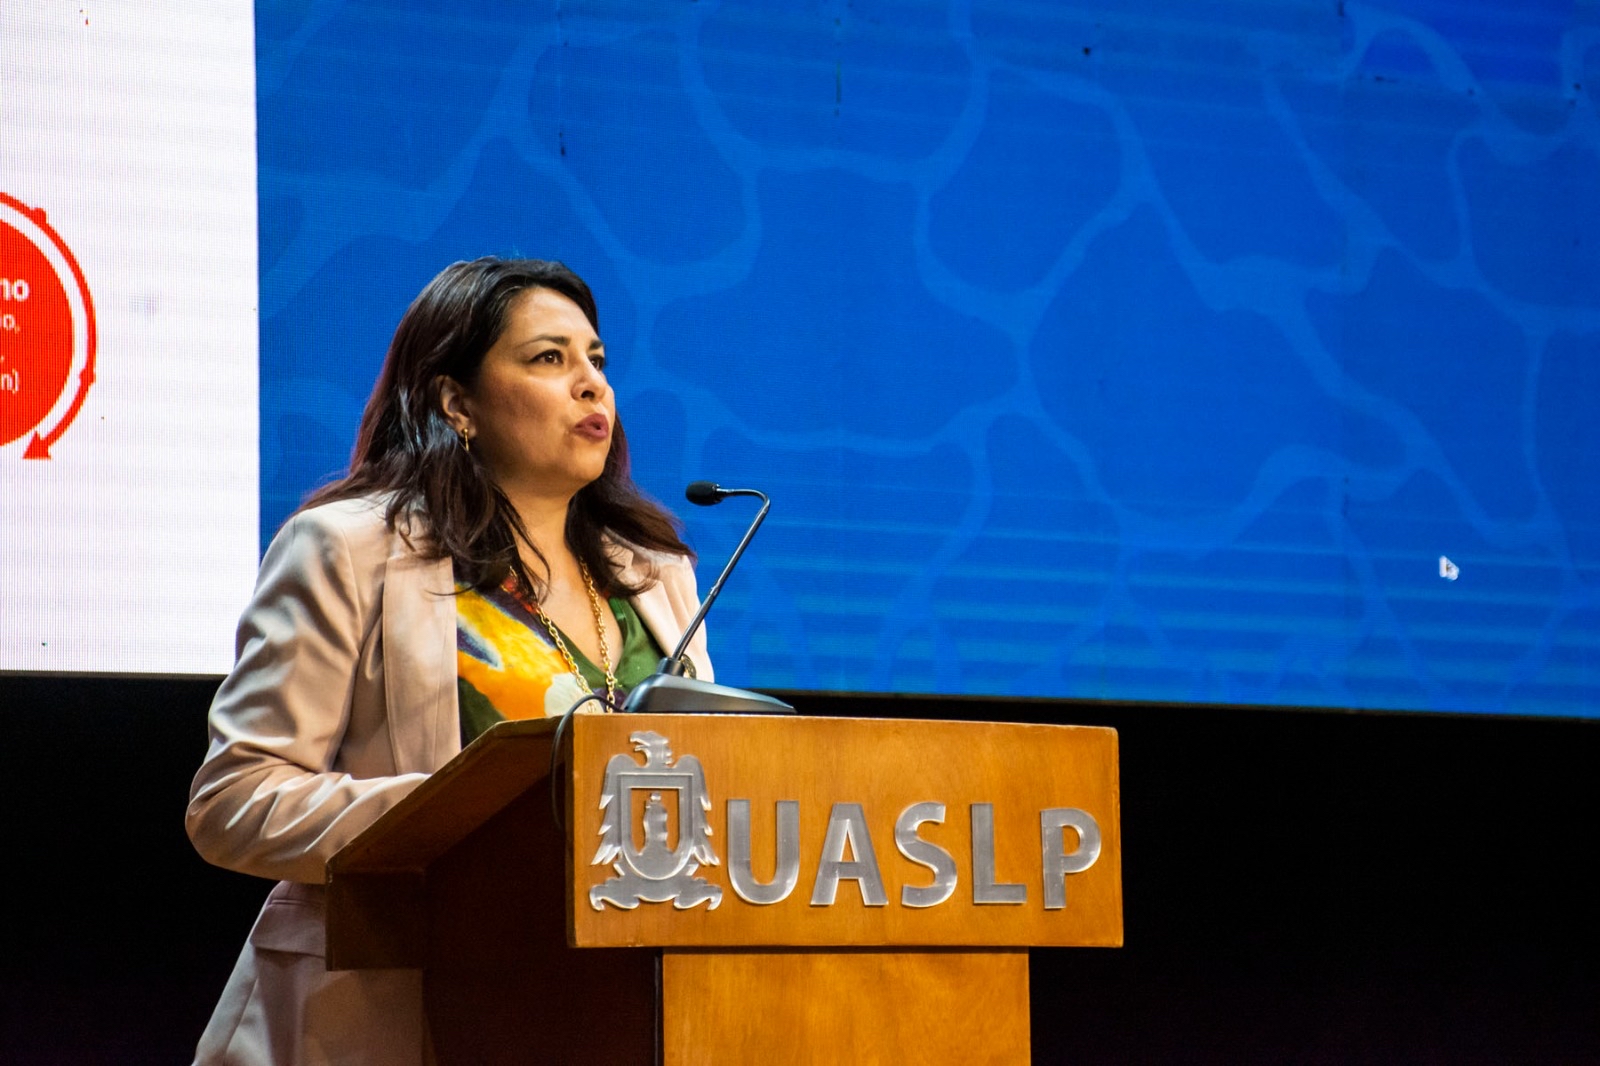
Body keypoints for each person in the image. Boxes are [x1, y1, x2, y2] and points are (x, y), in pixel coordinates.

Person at [185, 257, 710, 1065]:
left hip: (610, 1006)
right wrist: (456, 819)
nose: (590, 386)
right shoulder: (347, 550)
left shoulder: (656, 573)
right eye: (548, 359)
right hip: (397, 1005)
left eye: (596, 361)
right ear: (456, 402)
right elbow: (234, 800)